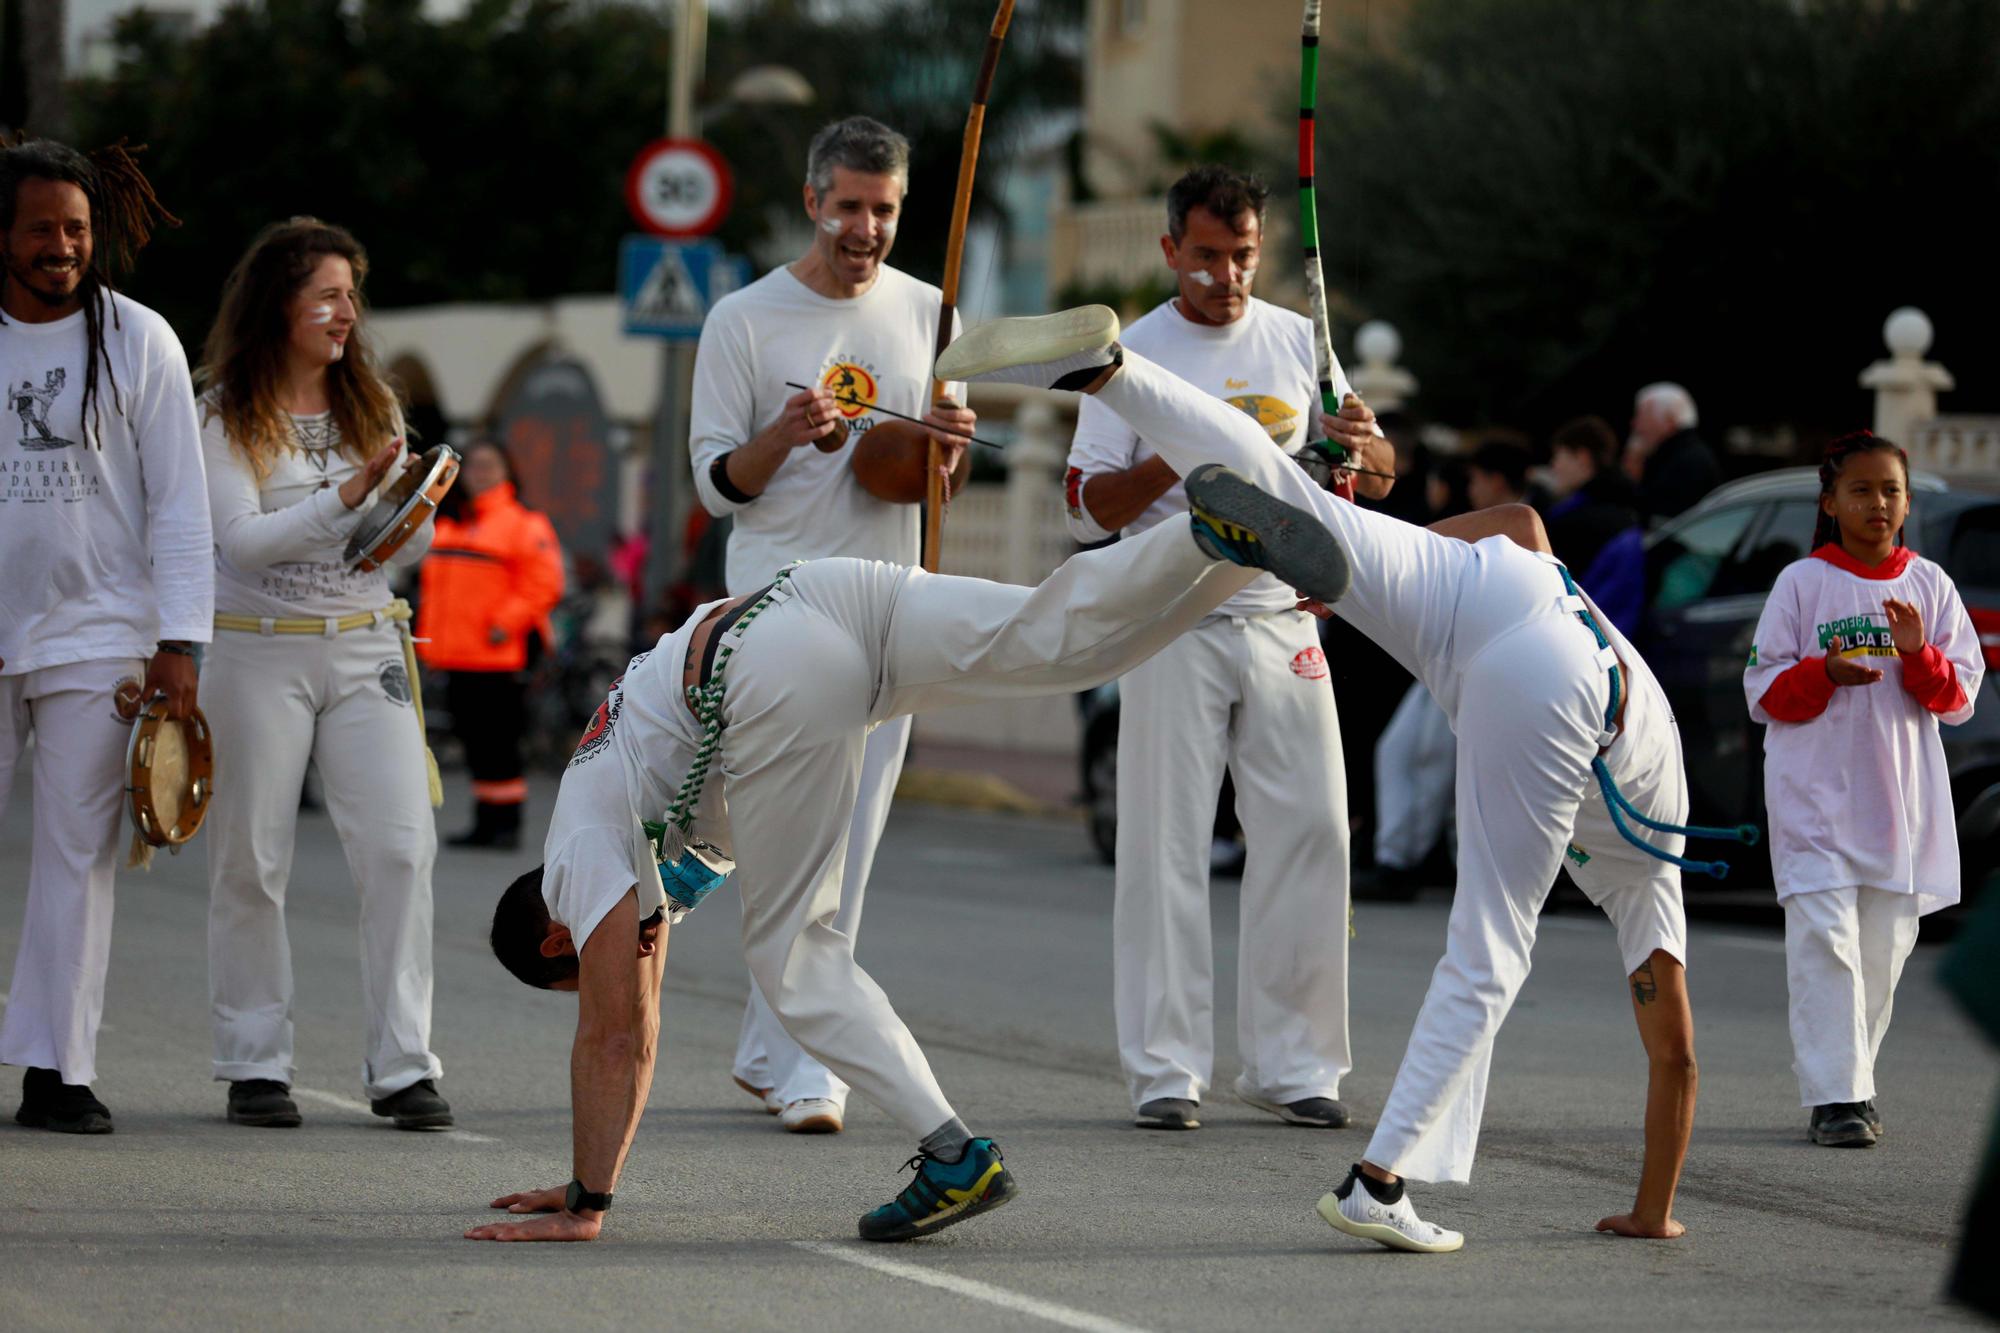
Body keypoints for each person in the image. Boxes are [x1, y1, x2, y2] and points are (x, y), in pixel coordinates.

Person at [938, 304, 1716, 1252]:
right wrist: (1653, 1208)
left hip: (1499, 584)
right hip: (1555, 681)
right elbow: (1675, 1057)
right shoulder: (1652, 861)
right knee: (1491, 951)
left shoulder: (1650, 797)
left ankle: (1105, 372)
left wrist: (1385, 558)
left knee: (1289, 492)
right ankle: (1377, 1184)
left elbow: (1521, 522)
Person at [469, 462, 1352, 1243]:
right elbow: (643, 1030)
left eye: (588, 963)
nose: (625, 959)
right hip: (825, 596)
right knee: (1063, 645)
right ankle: (1219, 547)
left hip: (772, 662)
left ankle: (953, 1154)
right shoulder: (612, 822)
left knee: (793, 956)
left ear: (557, 937)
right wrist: (595, 1181)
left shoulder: (576, 856)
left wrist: (587, 1203)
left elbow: (616, 1032)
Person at [1060, 165, 1389, 1132]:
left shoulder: (1299, 339)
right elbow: (1085, 509)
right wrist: (1198, 446)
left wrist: (1363, 445)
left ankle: (1296, 1063)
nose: (1227, 275)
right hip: (1170, 620)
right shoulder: (1130, 355)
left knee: (1314, 831)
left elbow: (1380, 466)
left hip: (1284, 616)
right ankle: (1166, 1067)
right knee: (1165, 843)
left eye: (1243, 256)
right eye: (1207, 256)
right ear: (1171, 251)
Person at [687, 116, 975, 1136]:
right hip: (777, 605)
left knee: (844, 849)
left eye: (883, 210)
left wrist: (946, 446)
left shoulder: (931, 312)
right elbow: (717, 484)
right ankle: (804, 1062)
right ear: (813, 202)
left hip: (886, 606)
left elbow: (927, 481)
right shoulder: (743, 318)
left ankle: (779, 1053)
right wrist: (784, 435)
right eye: (848, 206)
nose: (865, 227)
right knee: (789, 844)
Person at [197, 218, 451, 1132]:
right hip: (254, 645)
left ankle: (404, 1065)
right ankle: (253, 1059)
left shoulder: (371, 400)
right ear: (281, 303)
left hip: (363, 643)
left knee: (399, 845)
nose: (348, 313)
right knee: (252, 859)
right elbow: (244, 545)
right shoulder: (224, 411)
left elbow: (402, 546)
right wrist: (347, 497)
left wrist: (408, 506)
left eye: (352, 295)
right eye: (329, 295)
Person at [0, 137, 211, 1134]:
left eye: (76, 229)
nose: (61, 245)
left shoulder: (139, 340)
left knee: (77, 856)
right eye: (41, 227)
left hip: (99, 634)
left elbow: (180, 503)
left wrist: (181, 643)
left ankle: (58, 1070)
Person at [1743, 431, 1982, 1148]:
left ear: (1906, 503)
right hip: (1814, 796)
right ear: (1830, 501)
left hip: (1899, 803)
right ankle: (1837, 1098)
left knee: (1884, 946)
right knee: (1826, 940)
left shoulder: (1932, 585)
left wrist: (1918, 654)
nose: (1877, 503)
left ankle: (1852, 1081)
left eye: (1890, 491)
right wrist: (1825, 672)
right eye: (1861, 490)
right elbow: (1764, 691)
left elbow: (1960, 696)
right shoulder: (1802, 584)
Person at [417, 438, 564, 849]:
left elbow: (544, 584)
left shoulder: (523, 524)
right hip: (454, 654)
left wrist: (505, 623)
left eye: (489, 465)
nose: (480, 473)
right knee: (474, 741)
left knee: (498, 742)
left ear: (507, 471)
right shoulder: (449, 521)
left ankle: (505, 825)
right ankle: (486, 823)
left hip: (499, 655)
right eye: (475, 465)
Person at [1544, 415, 1644, 637]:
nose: (1554, 465)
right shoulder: (1631, 509)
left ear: (1582, 457)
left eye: (1559, 456)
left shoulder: (1573, 522)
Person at [1624, 382, 1719, 523]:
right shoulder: (1672, 456)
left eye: (1642, 416)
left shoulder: (1687, 463)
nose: (1635, 424)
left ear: (1669, 420)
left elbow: (1658, 520)